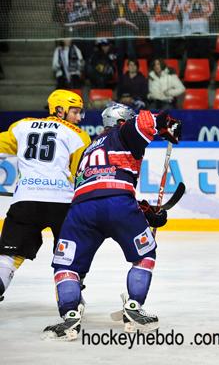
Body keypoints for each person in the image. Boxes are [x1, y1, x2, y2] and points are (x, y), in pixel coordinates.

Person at [43, 104, 182, 340]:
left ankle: (69, 315)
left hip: (81, 209)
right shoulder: (122, 132)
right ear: (120, 121)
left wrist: (145, 210)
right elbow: (145, 122)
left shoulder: (89, 149)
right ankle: (134, 306)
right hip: (118, 204)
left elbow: (99, 186)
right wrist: (166, 123)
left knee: (66, 266)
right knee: (145, 255)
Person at [0, 90, 90, 302]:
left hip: (26, 200)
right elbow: (80, 175)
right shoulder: (79, 135)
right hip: (62, 203)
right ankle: (70, 298)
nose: (79, 117)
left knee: (9, 255)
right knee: (68, 255)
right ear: (59, 110)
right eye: (75, 112)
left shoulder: (22, 126)